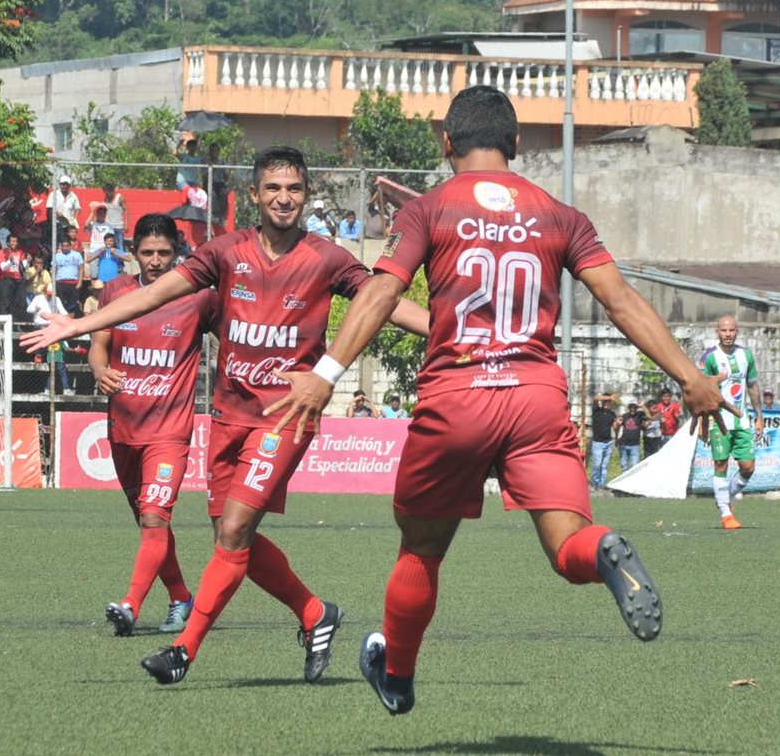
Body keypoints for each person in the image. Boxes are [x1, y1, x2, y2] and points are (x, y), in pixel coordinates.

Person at [263, 86, 735, 716]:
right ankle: (604, 552)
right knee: (568, 547)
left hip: (457, 396)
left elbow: (379, 294)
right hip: (537, 396)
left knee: (421, 547)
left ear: (447, 144)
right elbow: (621, 301)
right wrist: (689, 377)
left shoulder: (429, 209)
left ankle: (398, 674)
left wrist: (326, 373)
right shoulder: (559, 214)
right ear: (517, 145)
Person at [21, 145, 429, 686]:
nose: (285, 198)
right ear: (255, 196)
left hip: (285, 417)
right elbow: (155, 294)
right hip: (228, 418)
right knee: (229, 539)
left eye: (296, 189)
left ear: (305, 196)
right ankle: (314, 613)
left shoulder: (326, 257)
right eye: (275, 188)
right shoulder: (224, 251)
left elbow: (384, 300)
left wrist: (457, 332)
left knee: (234, 531)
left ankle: (183, 650)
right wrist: (76, 326)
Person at [89, 213, 220, 638]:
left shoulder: (199, 297)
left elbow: (236, 339)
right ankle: (181, 597)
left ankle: (130, 604)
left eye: (165, 253)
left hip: (169, 432)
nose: (156, 261)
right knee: (150, 525)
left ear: (177, 253)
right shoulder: (115, 291)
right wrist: (99, 370)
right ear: (134, 253)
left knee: (154, 518)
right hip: (123, 429)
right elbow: (98, 346)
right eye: (147, 253)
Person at [699, 315, 763, 530]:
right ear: (717, 332)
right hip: (719, 420)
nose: (728, 334)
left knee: (748, 467)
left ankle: (723, 498)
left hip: (742, 421)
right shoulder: (710, 358)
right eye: (724, 331)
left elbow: (753, 386)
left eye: (731, 330)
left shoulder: (746, 355)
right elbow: (703, 391)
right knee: (721, 464)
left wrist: (759, 417)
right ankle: (726, 515)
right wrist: (703, 423)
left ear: (737, 331)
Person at [26, 284, 72, 395]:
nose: (49, 296)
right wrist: (37, 308)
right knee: (41, 331)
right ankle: (39, 355)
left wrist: (69, 319)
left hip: (52, 325)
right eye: (48, 294)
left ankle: (51, 355)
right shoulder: (38, 298)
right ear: (44, 292)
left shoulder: (56, 299)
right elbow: (29, 309)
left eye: (51, 294)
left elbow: (63, 311)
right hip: (40, 324)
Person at [590, 393, 618, 488]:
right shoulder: (596, 410)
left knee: (604, 465)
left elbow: (614, 428)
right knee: (597, 465)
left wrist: (617, 423)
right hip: (598, 442)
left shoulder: (612, 414)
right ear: (602, 402)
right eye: (605, 401)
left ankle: (602, 484)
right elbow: (595, 398)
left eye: (608, 402)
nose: (607, 403)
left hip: (608, 442)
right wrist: (610, 397)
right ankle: (595, 482)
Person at [52, 237, 84, 313]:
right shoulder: (57, 256)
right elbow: (53, 270)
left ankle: (71, 321)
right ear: (61, 246)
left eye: (67, 246)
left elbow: (81, 268)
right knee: (60, 304)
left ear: (70, 246)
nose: (65, 248)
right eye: (63, 246)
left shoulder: (77, 255)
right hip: (60, 282)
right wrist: (53, 283)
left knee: (72, 305)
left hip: (73, 283)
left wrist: (80, 282)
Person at [48, 175, 81, 245]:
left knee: (67, 244)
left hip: (68, 225)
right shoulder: (54, 194)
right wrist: (57, 213)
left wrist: (74, 218)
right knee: (56, 244)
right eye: (63, 184)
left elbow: (78, 208)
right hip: (56, 224)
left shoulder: (73, 196)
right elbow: (49, 208)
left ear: (69, 185)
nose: (65, 186)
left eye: (67, 184)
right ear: (60, 185)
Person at [616, 401, 645, 473]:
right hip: (623, 443)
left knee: (635, 466)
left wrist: (643, 406)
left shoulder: (640, 415)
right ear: (628, 407)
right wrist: (618, 424)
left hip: (635, 445)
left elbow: (649, 416)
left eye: (634, 407)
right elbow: (616, 429)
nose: (633, 409)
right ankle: (623, 482)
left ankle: (633, 482)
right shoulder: (624, 416)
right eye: (631, 407)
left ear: (637, 408)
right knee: (624, 465)